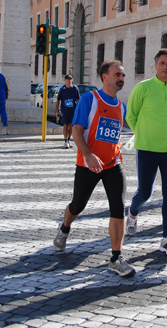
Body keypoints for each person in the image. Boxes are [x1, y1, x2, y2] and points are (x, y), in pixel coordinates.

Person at [53, 60, 134, 277]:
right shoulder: (90, 99)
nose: (121, 78)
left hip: (113, 164)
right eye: (117, 74)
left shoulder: (121, 106)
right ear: (104, 77)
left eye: (123, 75)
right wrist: (88, 155)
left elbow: (114, 135)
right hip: (88, 163)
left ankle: (116, 257)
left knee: (118, 207)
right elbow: (77, 131)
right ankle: (65, 227)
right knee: (78, 205)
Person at [125, 48, 167, 258]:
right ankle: (132, 212)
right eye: (162, 63)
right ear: (156, 65)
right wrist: (144, 135)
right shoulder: (142, 88)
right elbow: (131, 116)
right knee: (145, 192)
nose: (165, 67)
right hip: (146, 149)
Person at [55, 75, 80, 149]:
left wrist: (79, 110)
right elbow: (58, 100)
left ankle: (69, 139)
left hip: (73, 110)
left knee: (71, 126)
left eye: (70, 79)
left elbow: (79, 99)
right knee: (65, 125)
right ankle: (66, 140)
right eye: (68, 79)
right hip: (64, 110)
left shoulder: (75, 88)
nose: (69, 81)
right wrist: (57, 111)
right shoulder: (62, 89)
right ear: (65, 80)